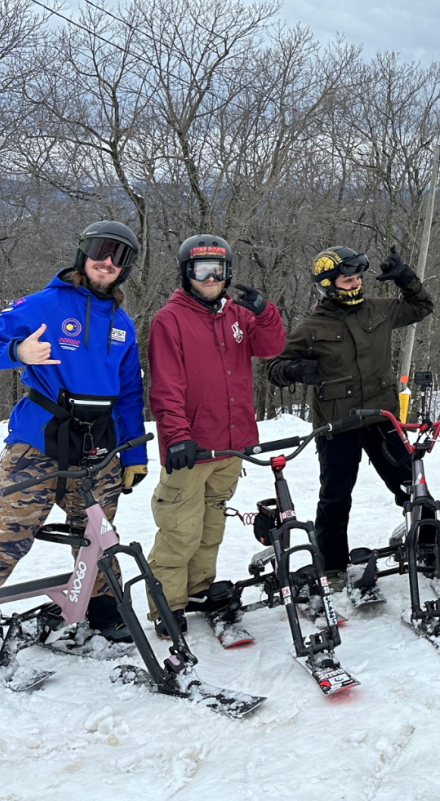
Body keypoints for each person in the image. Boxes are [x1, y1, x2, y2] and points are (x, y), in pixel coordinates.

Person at [0, 220, 149, 696]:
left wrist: (134, 452)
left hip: (97, 450)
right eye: (101, 250)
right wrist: (18, 351)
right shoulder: (43, 304)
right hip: (36, 445)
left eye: (120, 256)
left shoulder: (121, 323)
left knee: (98, 539)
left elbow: (130, 394)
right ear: (83, 253)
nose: (108, 262)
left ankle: (102, 612)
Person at [266, 245, 436, 590]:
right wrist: (295, 370)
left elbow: (422, 306)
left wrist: (405, 278)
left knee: (411, 483)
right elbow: (273, 366)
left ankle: (432, 549)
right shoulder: (312, 326)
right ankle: (333, 566)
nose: (355, 284)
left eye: (358, 277)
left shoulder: (380, 310)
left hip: (380, 415)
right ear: (329, 284)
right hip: (337, 423)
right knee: (335, 495)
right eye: (347, 280)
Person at [145, 234, 285, 638]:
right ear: (186, 273)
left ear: (228, 274)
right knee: (179, 531)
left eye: (217, 271)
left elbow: (271, 345)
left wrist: (265, 312)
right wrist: (176, 436)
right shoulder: (169, 320)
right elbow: (166, 387)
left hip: (230, 446)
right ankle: (167, 606)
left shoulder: (237, 316)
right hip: (191, 448)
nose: (210, 278)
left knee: (210, 529)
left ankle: (198, 590)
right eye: (201, 270)